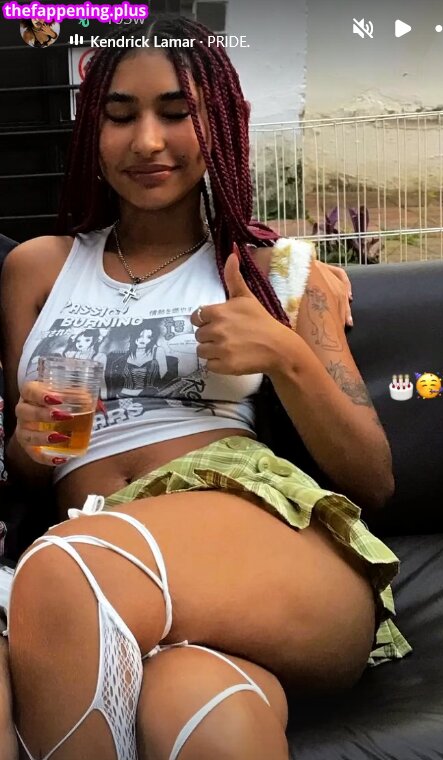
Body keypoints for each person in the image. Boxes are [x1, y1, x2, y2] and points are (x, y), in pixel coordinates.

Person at [0, 15, 412, 760]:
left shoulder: (271, 270)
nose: (146, 141)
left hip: (252, 539)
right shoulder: (37, 270)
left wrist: (285, 354)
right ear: (93, 132)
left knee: (64, 572)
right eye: (120, 116)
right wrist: (29, 444)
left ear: (217, 122)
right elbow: (33, 474)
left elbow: (372, 477)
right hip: (105, 558)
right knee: (205, 714)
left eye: (175, 113)